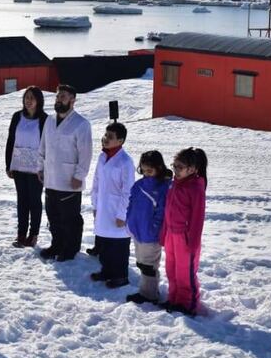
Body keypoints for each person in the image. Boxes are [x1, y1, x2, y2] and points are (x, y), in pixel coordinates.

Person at [37, 84, 93, 262]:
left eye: (63, 96)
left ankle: (70, 248)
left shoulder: (81, 124)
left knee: (69, 217)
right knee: (53, 215)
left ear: (72, 100)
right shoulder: (49, 120)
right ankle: (56, 244)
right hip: (51, 177)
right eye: (57, 96)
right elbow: (43, 146)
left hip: (70, 180)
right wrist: (40, 167)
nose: (59, 99)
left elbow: (86, 153)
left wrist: (79, 176)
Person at [160, 147, 208, 316]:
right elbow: (167, 211)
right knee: (171, 269)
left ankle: (188, 304)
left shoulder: (195, 188)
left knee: (184, 272)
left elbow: (197, 218)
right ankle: (174, 298)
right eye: (175, 166)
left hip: (185, 238)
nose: (176, 170)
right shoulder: (174, 184)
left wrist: (193, 242)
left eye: (180, 167)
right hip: (171, 235)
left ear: (193, 169)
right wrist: (164, 233)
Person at [89, 122, 135, 287]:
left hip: (117, 210)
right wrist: (95, 205)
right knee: (106, 243)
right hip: (103, 208)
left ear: (120, 141)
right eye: (106, 135)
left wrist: (122, 215)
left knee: (119, 245)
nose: (105, 139)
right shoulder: (103, 156)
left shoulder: (125, 162)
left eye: (110, 137)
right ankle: (106, 270)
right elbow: (96, 182)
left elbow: (128, 191)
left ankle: (121, 276)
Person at [125, 151, 173, 305]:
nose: (146, 174)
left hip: (151, 235)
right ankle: (147, 290)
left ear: (159, 168)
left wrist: (153, 229)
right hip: (137, 231)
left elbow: (161, 213)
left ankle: (149, 295)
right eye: (144, 170)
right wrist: (129, 221)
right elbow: (131, 203)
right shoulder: (139, 185)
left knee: (149, 265)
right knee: (141, 262)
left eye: (150, 171)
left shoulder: (163, 188)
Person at [5, 86, 48, 248]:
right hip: (18, 165)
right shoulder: (17, 117)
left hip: (36, 167)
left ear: (39, 101)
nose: (28, 101)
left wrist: (45, 168)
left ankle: (33, 235)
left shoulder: (44, 119)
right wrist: (8, 164)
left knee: (34, 201)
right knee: (22, 201)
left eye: (32, 98)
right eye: (26, 97)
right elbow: (10, 140)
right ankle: (21, 234)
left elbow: (47, 145)